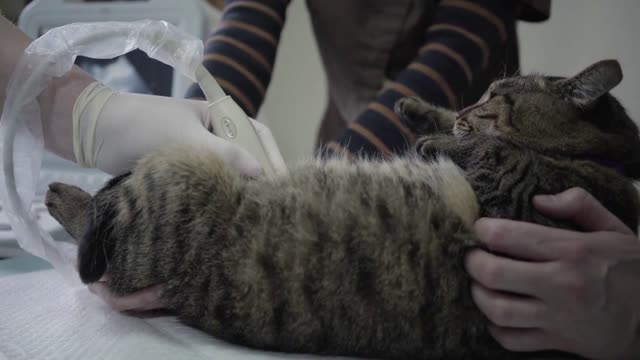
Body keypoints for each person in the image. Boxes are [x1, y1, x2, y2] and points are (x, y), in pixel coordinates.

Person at [1, 2, 639, 357]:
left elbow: (460, 49)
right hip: (353, 162)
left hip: (448, 154)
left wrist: (312, 186)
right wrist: (212, 114)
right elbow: (250, 22)